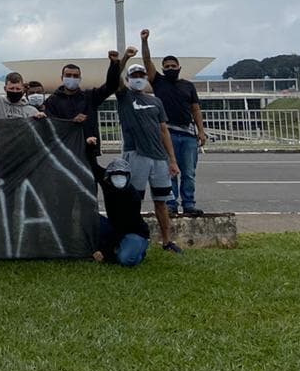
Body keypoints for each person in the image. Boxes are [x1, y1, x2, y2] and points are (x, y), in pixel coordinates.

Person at [115, 61, 183, 254]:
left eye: (141, 76)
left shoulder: (156, 101)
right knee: (133, 200)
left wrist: (172, 159)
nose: (138, 79)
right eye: (134, 76)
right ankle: (129, 239)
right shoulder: (124, 97)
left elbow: (163, 131)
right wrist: (122, 60)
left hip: (159, 158)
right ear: (128, 79)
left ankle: (167, 241)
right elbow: (114, 79)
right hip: (136, 155)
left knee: (161, 200)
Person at [141, 29, 208, 217]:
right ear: (162, 69)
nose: (170, 68)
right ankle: (171, 204)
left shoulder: (188, 86)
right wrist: (144, 42)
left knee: (188, 172)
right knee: (169, 171)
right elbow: (147, 62)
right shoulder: (159, 82)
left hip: (188, 135)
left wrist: (201, 132)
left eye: (173, 65)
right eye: (166, 66)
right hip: (166, 133)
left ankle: (189, 204)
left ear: (179, 67)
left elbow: (195, 109)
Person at [44, 51, 126, 150]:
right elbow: (50, 124)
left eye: (75, 76)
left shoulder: (90, 96)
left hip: (89, 149)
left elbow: (111, 86)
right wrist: (71, 121)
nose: (72, 78)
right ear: (62, 78)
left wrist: (114, 64)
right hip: (64, 151)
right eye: (68, 75)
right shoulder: (52, 100)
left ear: (80, 78)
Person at [86, 155, 151, 266]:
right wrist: (91, 147)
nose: (119, 179)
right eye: (115, 175)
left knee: (125, 260)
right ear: (109, 176)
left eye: (123, 176)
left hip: (133, 231)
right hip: (113, 225)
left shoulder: (133, 197)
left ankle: (139, 250)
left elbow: (122, 227)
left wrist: (104, 251)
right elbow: (94, 166)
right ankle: (116, 248)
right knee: (91, 218)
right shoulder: (107, 183)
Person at [0, 45, 46, 120]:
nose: (14, 91)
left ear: (22, 89)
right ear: (5, 89)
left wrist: (42, 119)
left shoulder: (32, 111)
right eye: (11, 88)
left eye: (17, 88)